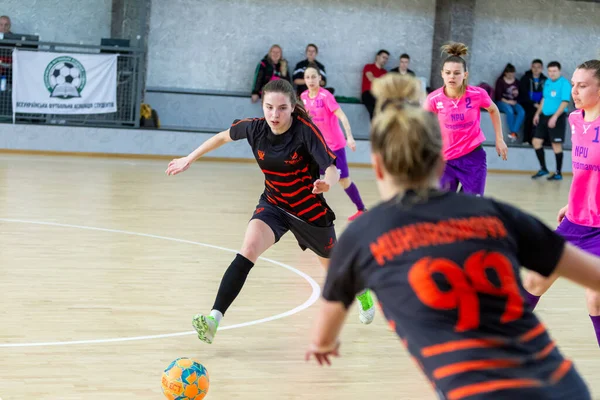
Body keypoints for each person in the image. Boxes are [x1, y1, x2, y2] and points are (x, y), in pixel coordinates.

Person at [304, 73, 595, 400]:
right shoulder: (498, 214)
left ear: (378, 165)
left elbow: (323, 334)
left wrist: (322, 344)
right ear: (441, 156)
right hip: (563, 387)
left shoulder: (362, 235)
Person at [165, 79, 376, 344]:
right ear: (263, 105)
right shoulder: (254, 128)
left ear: (292, 107)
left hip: (308, 211)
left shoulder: (305, 131)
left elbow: (332, 169)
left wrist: (327, 184)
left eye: (282, 108)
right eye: (269, 107)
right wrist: (188, 158)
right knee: (248, 249)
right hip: (274, 204)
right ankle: (213, 320)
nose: (274, 115)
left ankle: (362, 290)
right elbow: (222, 137)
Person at [524, 60, 600, 347]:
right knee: (535, 280)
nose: (575, 91)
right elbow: (585, 171)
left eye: (582, 85)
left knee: (595, 298)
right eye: (573, 85)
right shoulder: (575, 120)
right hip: (576, 221)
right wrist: (573, 203)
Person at [424, 42, 508, 196]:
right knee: (441, 205)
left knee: (471, 208)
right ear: (442, 73)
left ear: (465, 75)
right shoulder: (433, 99)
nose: (452, 77)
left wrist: (499, 138)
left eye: (457, 73)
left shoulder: (477, 94)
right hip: (445, 161)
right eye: (448, 72)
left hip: (473, 158)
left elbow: (493, 110)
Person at [301, 64, 367, 222]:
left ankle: (361, 209)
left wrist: (349, 137)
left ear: (320, 79)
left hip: (335, 146)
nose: (311, 80)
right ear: (304, 80)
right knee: (310, 176)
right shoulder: (303, 97)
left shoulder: (326, 96)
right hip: (318, 146)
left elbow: (342, 116)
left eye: (313, 77)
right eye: (307, 77)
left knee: (343, 180)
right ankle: (310, 211)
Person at [531, 61, 572, 181]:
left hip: (557, 117)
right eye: (550, 71)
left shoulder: (564, 84)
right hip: (544, 116)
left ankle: (558, 173)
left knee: (556, 145)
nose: (552, 73)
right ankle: (543, 168)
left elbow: (565, 101)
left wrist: (555, 117)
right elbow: (544, 99)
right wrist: (537, 114)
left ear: (559, 71)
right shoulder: (548, 82)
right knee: (536, 142)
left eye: (554, 71)